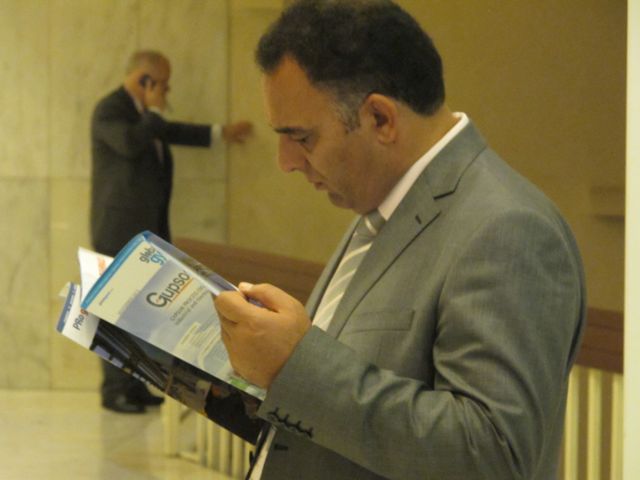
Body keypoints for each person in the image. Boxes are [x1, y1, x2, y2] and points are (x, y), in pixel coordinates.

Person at [214, 1, 586, 479]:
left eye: (302, 138)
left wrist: (294, 366)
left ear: (381, 119)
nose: (286, 162)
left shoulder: (508, 228)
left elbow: (491, 454)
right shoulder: (382, 206)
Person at [90, 50, 252, 414]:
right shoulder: (110, 109)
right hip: (117, 229)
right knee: (112, 310)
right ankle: (113, 390)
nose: (167, 91)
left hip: (145, 229)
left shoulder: (147, 116)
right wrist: (154, 111)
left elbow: (174, 132)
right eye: (163, 84)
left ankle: (135, 384)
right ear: (145, 80)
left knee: (138, 312)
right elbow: (129, 143)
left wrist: (220, 133)